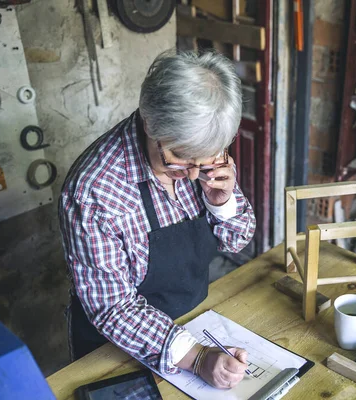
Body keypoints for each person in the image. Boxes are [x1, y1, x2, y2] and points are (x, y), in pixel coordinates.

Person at [58, 50, 256, 389]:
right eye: (179, 158)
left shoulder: (200, 162)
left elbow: (235, 240)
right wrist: (195, 357)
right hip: (116, 347)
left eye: (205, 161)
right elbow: (113, 307)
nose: (193, 175)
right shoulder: (94, 191)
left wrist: (222, 204)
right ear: (150, 123)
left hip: (194, 321)